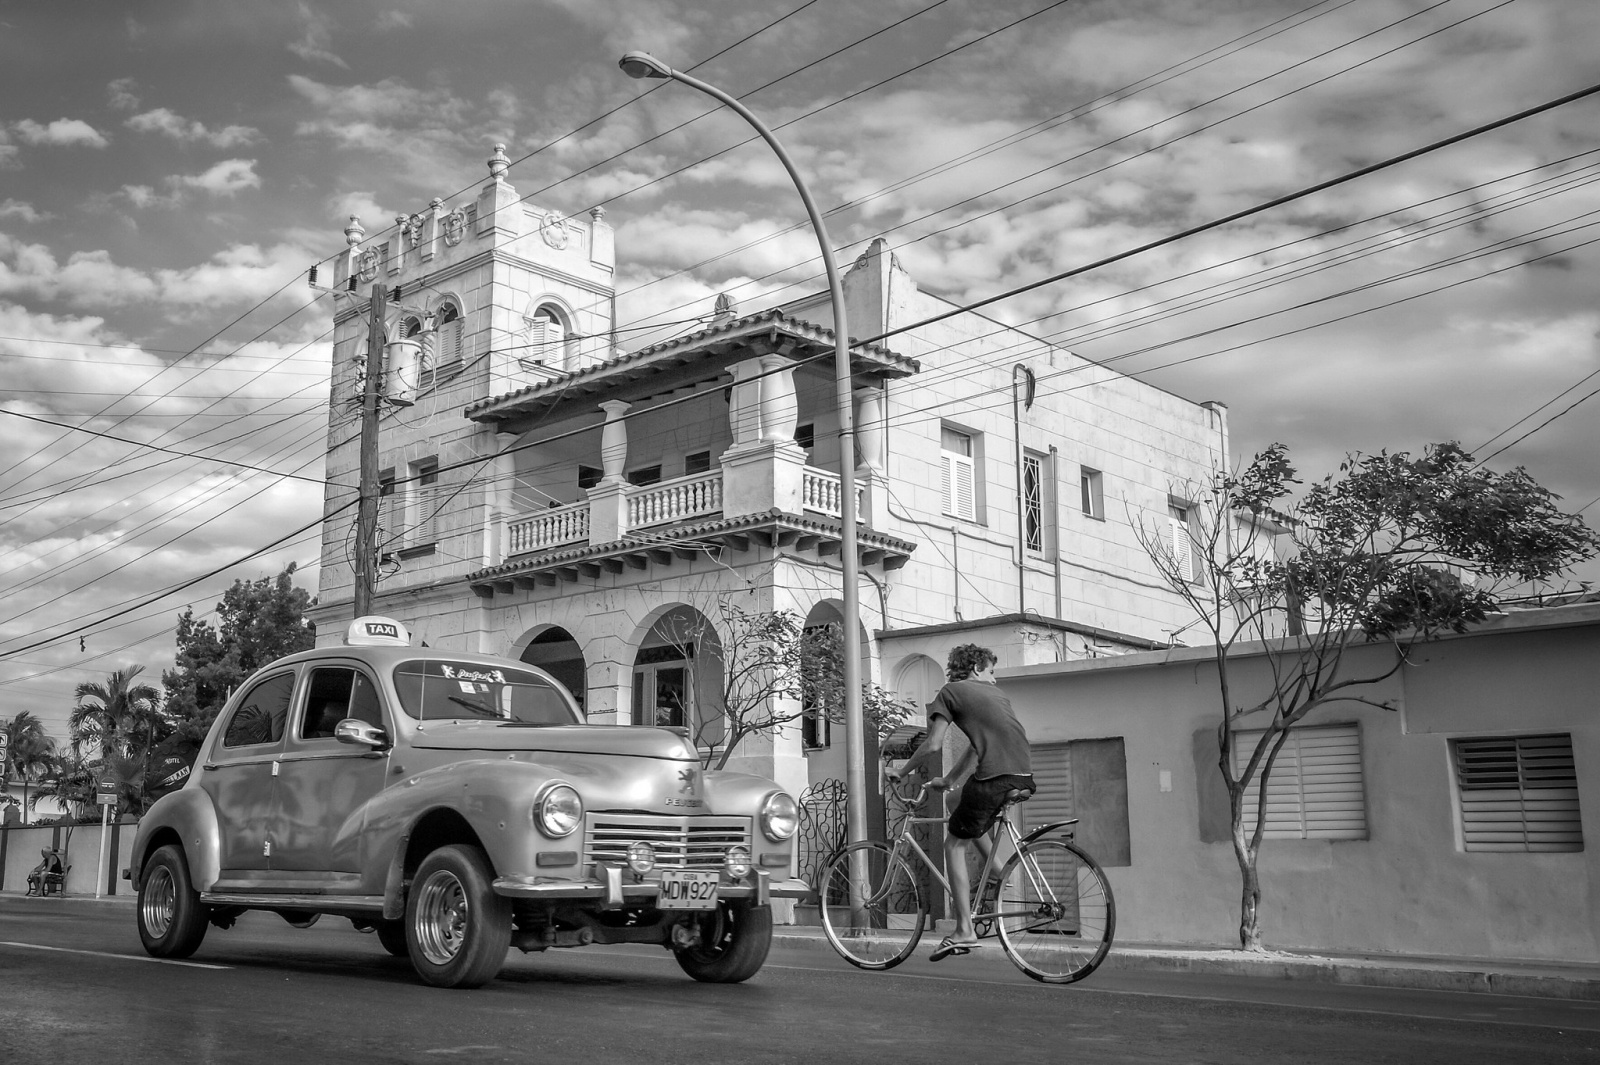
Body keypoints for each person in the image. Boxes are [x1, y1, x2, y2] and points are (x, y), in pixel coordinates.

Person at [887, 644, 1034, 960]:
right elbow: (974, 749)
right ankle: (997, 872)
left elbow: (934, 743)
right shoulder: (997, 697)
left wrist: (903, 771)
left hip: (995, 777)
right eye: (991, 672)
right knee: (956, 801)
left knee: (952, 845)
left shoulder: (950, 692)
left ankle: (964, 929)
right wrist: (949, 780)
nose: (993, 680)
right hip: (1022, 775)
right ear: (977, 668)